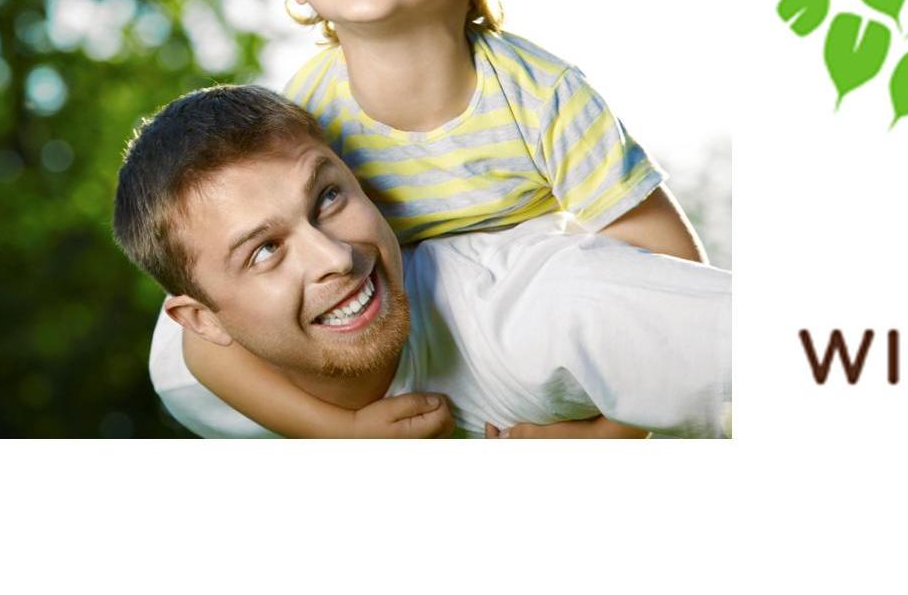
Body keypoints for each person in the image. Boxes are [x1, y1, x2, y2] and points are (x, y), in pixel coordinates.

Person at [164, 0, 709, 438]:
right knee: (179, 340)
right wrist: (342, 435)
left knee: (611, 295)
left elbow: (667, 273)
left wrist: (607, 435)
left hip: (511, 320)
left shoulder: (541, 94)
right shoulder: (307, 109)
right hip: (373, 322)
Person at [114, 85, 731, 438]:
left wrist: (612, 437)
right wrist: (340, 438)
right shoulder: (185, 377)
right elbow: (188, 357)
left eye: (328, 197)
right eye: (266, 250)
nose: (336, 258)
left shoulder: (536, 312)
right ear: (203, 318)